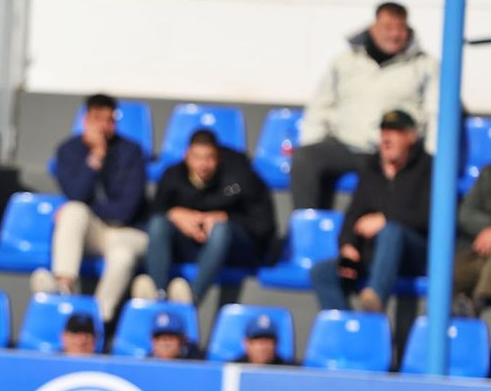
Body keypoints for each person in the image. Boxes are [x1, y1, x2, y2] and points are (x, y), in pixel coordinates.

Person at [291, 1, 439, 210]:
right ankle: (307, 229)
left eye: (400, 28)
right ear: (372, 28)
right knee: (305, 158)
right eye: (388, 27)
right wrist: (312, 140)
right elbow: (320, 106)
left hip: (392, 152)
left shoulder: (424, 65)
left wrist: (430, 155)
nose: (395, 34)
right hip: (346, 144)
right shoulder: (345, 62)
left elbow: (436, 111)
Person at [36, 93, 149, 324]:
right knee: (73, 211)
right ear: (86, 119)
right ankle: (64, 288)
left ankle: (97, 318)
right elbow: (76, 194)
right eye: (99, 119)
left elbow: (125, 210)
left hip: (128, 232)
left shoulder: (132, 152)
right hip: (95, 232)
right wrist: (96, 157)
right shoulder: (68, 150)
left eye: (110, 120)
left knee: (122, 256)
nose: (104, 126)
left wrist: (93, 207)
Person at [136, 129, 277, 306]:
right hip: (188, 246)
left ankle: (191, 300)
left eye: (209, 158)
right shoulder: (172, 176)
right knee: (158, 224)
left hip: (234, 250)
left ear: (218, 157)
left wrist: (226, 217)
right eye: (197, 157)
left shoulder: (241, 176)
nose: (203, 164)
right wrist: (174, 214)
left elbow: (263, 225)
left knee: (220, 229)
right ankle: (158, 293)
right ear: (187, 155)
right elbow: (152, 214)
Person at [310, 110, 432, 313]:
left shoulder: (428, 167)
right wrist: (348, 245)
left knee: (392, 231)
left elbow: (429, 216)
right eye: (384, 132)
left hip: (414, 254)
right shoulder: (371, 168)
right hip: (374, 253)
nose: (386, 138)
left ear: (411, 137)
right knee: (322, 273)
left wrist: (386, 219)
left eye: (394, 132)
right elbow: (353, 214)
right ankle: (349, 332)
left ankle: (375, 296)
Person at [453, 168, 491, 317]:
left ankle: (478, 306)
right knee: (444, 274)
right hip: (475, 251)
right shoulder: (488, 174)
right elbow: (465, 214)